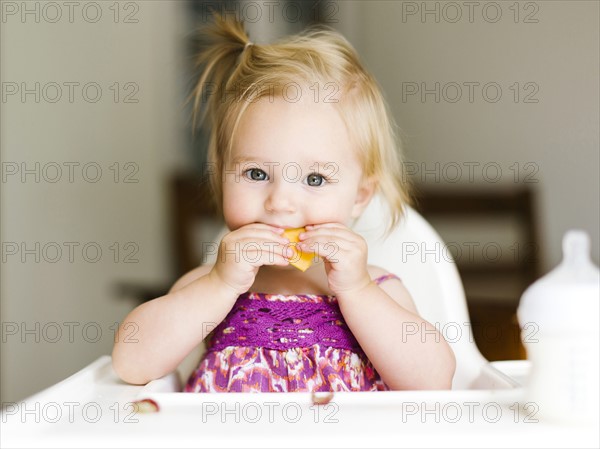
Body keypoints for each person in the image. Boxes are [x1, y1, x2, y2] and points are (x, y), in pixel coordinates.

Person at [112, 14, 456, 392]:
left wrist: (357, 290)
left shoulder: (377, 289)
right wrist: (219, 283)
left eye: (315, 179)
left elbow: (434, 382)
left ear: (360, 196)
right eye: (257, 174)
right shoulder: (209, 286)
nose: (279, 203)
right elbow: (130, 363)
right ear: (222, 176)